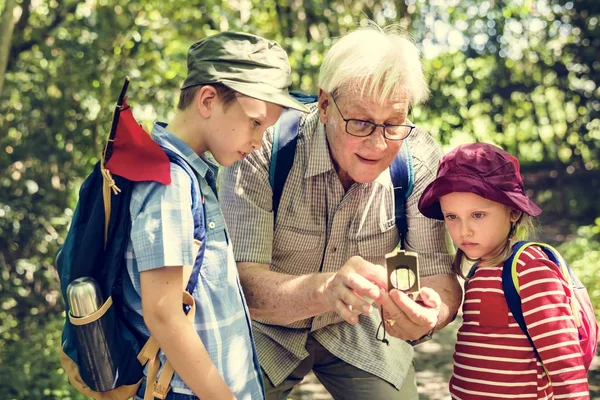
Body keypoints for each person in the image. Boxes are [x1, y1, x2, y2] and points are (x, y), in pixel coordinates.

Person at [219, 23, 462, 399]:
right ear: (325, 104)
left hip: (362, 325)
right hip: (264, 328)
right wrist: (326, 290)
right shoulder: (262, 147)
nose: (378, 143)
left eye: (394, 124)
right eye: (361, 122)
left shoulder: (419, 158)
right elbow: (240, 283)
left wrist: (432, 315)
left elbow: (436, 273)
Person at [120, 31, 309, 400]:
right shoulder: (169, 182)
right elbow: (164, 314)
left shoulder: (192, 177)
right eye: (255, 123)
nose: (258, 141)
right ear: (208, 100)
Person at [418, 142, 590, 399]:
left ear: (513, 211)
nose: (464, 230)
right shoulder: (480, 269)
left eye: (477, 215)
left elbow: (564, 361)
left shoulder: (528, 269)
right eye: (452, 217)